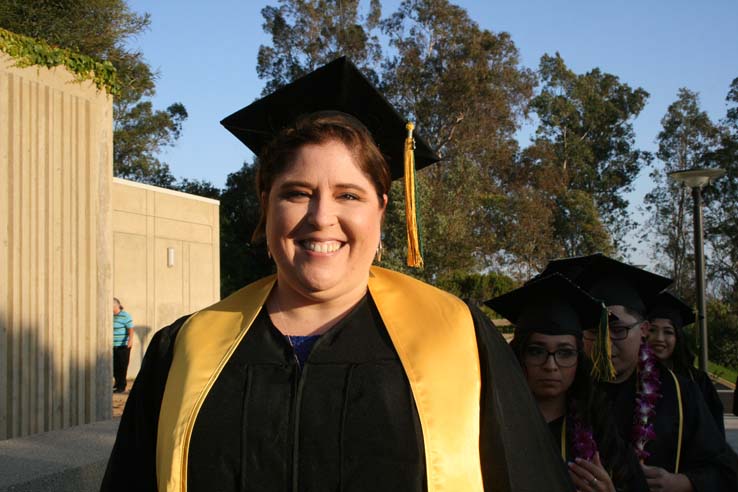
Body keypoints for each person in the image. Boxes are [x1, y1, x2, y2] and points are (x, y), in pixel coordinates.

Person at [101, 57, 572, 492]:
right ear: (266, 206)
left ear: (382, 211)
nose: (321, 216)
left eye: (349, 195)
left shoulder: (458, 338)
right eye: (297, 193)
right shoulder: (186, 347)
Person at [538, 253, 737, 492]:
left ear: (643, 330)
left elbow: (726, 470)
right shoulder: (565, 391)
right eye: (593, 331)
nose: (606, 343)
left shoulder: (681, 394)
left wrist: (684, 482)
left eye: (618, 329)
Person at [487, 273, 648, 492]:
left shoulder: (600, 428)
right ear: (518, 355)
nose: (551, 365)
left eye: (565, 353)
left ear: (578, 360)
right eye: (536, 351)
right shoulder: (491, 423)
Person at [647, 291, 725, 436]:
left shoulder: (698, 381)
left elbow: (715, 435)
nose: (659, 338)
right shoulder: (633, 377)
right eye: (652, 330)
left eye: (668, 332)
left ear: (678, 338)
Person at [112, 297, 133, 393]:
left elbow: (130, 329)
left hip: (123, 345)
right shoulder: (111, 316)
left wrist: (130, 340)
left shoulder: (125, 316)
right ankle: (117, 384)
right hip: (113, 345)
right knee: (114, 366)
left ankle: (122, 386)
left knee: (122, 366)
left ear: (115, 306)